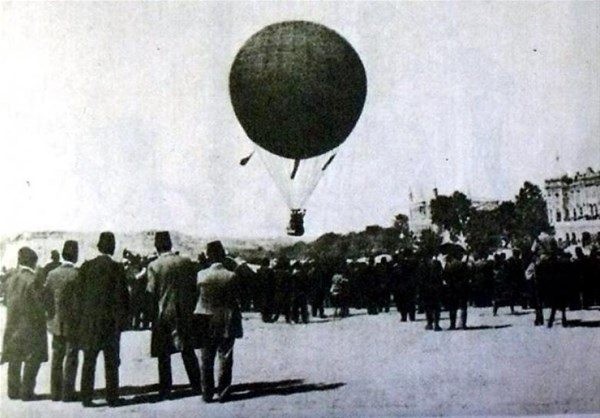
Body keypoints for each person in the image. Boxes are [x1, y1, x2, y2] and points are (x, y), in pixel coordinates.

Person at [78, 232, 130, 406]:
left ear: (98, 247)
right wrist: (122, 322)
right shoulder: (117, 268)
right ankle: (112, 397)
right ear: (113, 247)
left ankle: (86, 398)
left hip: (90, 322)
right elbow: (123, 298)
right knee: (111, 362)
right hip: (110, 323)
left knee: (89, 361)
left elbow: (78, 296)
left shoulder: (86, 267)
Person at [146, 231, 201, 398]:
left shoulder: (154, 266)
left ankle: (166, 389)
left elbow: (151, 292)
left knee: (164, 354)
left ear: (157, 246)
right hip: (184, 312)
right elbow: (194, 288)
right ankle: (197, 384)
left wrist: (150, 317)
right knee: (187, 350)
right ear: (170, 244)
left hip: (163, 313)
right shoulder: (186, 262)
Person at [195, 241, 243, 403]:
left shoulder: (201, 275)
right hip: (226, 318)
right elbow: (238, 298)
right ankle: (223, 391)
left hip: (205, 319)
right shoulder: (231, 276)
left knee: (206, 358)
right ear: (223, 255)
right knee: (225, 355)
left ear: (208, 256)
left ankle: (207, 393)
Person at [1, 247, 48, 400]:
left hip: (12, 324)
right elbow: (39, 305)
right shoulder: (33, 279)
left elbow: (7, 300)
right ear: (32, 262)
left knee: (14, 357)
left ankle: (13, 391)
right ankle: (27, 391)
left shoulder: (10, 278)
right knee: (32, 358)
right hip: (30, 325)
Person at [44, 240, 81, 402]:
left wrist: (51, 315)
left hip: (56, 322)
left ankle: (55, 392)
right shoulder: (78, 274)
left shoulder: (52, 274)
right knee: (71, 357)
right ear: (76, 255)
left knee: (57, 358)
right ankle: (68, 392)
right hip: (73, 322)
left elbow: (46, 298)